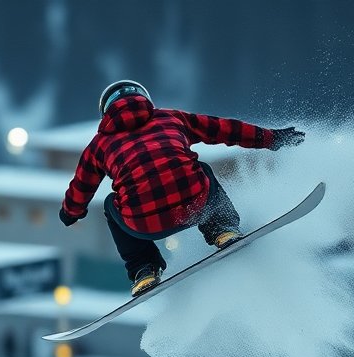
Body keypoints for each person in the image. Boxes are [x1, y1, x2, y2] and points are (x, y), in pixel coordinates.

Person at [57, 80, 305, 296]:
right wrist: (273, 138)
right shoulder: (172, 118)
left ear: (105, 112)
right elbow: (225, 129)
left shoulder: (99, 145)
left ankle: (143, 269)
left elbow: (81, 187)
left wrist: (70, 213)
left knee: (111, 205)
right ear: (145, 99)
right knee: (202, 170)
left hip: (143, 224)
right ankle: (223, 229)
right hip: (195, 205)